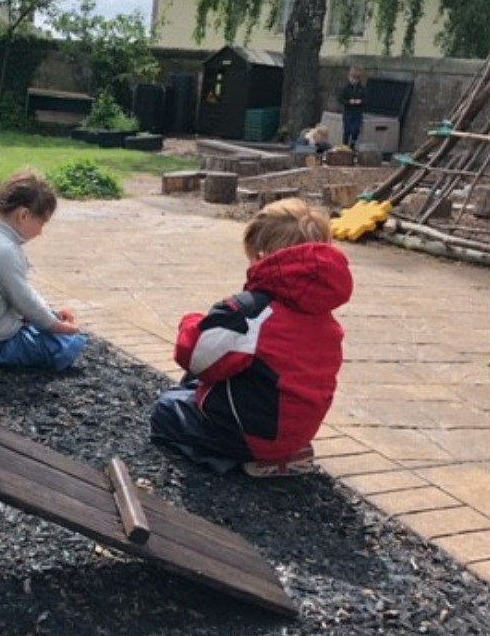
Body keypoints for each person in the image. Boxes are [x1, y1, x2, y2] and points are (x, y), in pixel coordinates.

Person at [147, 198, 353, 477]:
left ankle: (243, 459)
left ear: (262, 254)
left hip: (253, 434)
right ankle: (286, 450)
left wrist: (193, 322)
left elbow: (195, 358)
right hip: (297, 429)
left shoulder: (252, 311)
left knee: (167, 410)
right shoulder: (324, 318)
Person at [0, 171, 89, 371]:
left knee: (40, 322)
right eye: (41, 223)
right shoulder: (4, 250)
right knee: (63, 345)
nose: (41, 232)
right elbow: (23, 299)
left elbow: (21, 292)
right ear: (23, 215)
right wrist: (56, 326)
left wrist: (52, 314)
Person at [338, 66, 366, 150]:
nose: (354, 80)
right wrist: (349, 102)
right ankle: (345, 145)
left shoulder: (362, 89)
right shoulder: (346, 89)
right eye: (353, 78)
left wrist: (360, 101)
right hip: (348, 112)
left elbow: (366, 99)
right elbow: (340, 99)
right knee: (347, 130)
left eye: (356, 78)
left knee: (355, 129)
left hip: (357, 112)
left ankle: (353, 144)